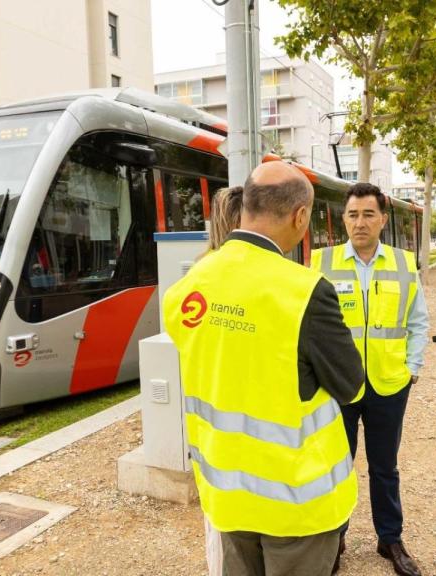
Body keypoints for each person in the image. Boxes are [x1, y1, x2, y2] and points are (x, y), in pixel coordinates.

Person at [164, 161, 365, 576]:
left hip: (226, 494)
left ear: (246, 206)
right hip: (297, 503)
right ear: (301, 216)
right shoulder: (306, 290)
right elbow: (351, 386)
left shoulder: (189, 286)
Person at [310, 183, 429, 576]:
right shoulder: (320, 262)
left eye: (368, 214)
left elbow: (417, 320)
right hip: (335, 385)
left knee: (384, 466)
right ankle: (335, 538)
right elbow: (306, 326)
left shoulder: (402, 263)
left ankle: (390, 539)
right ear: (343, 219)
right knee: (336, 465)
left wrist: (412, 368)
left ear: (382, 219)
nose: (360, 222)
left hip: (389, 383)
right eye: (352, 215)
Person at [200, 185, 243, 576]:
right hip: (243, 430)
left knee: (220, 527)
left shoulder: (200, 273)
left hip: (211, 430)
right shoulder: (253, 276)